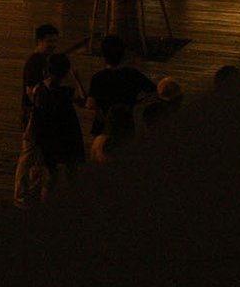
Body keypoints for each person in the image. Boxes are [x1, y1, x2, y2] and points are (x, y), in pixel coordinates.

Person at [11, 24, 61, 205]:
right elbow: (31, 91)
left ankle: (32, 190)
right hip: (33, 116)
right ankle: (21, 193)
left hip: (39, 115)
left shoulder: (45, 60)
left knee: (37, 154)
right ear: (39, 41)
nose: (53, 45)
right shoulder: (36, 62)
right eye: (49, 42)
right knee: (29, 153)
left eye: (55, 41)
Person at [85, 34, 156, 159]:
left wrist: (99, 111)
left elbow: (90, 104)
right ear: (123, 54)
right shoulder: (133, 74)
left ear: (104, 55)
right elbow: (155, 91)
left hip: (103, 125)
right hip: (125, 123)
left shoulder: (98, 77)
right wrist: (138, 103)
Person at [26, 53, 84, 200]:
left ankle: (45, 206)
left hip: (48, 134)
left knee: (51, 174)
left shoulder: (39, 89)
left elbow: (35, 111)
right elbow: (83, 100)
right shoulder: (67, 91)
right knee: (72, 170)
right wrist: (77, 79)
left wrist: (29, 132)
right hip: (68, 131)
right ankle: (73, 202)